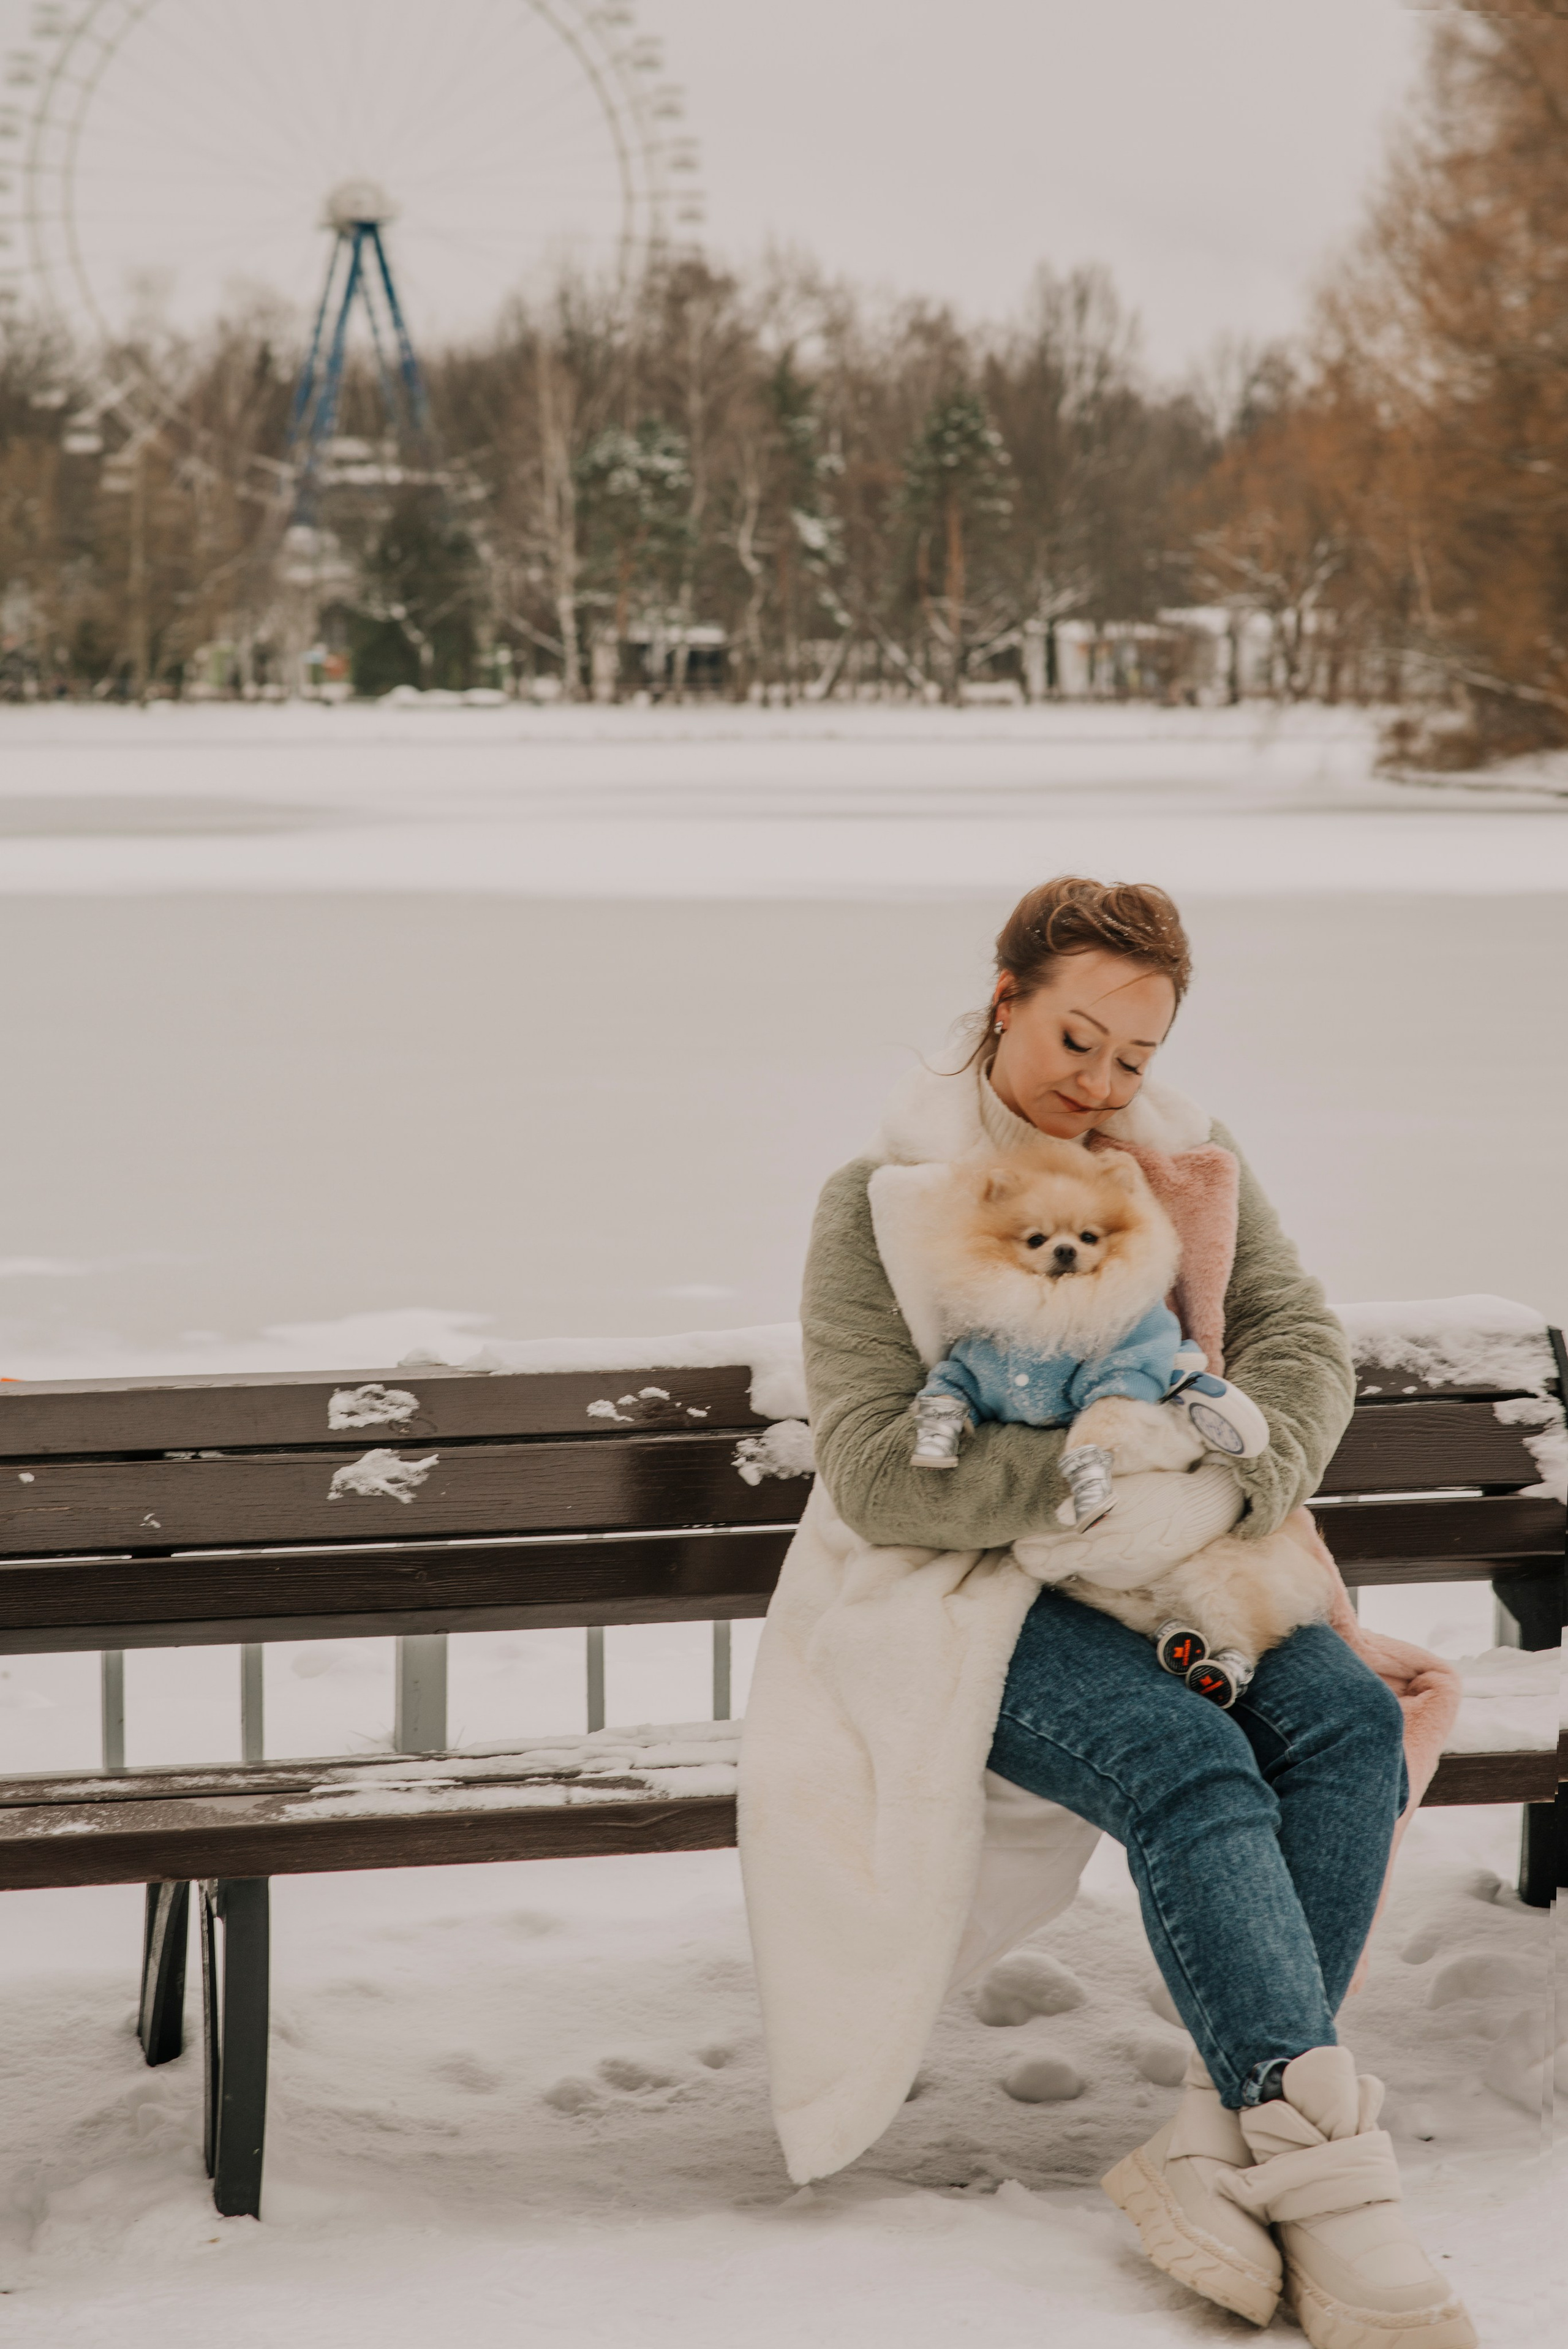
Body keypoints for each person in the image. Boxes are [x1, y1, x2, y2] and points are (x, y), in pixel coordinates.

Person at [738, 876, 1472, 2348]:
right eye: (1074, 1040)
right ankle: (1335, 2189)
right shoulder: (878, 1201)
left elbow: (1295, 1341)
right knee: (1185, 1761)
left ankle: (1223, 2133)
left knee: (1338, 1714)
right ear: (1002, 995)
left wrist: (1223, 1485)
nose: (1100, 1085)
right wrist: (1108, 1473)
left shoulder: (1184, 1161)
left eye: (1131, 1058)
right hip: (964, 1591)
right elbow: (881, 1472)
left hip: (1189, 1566)